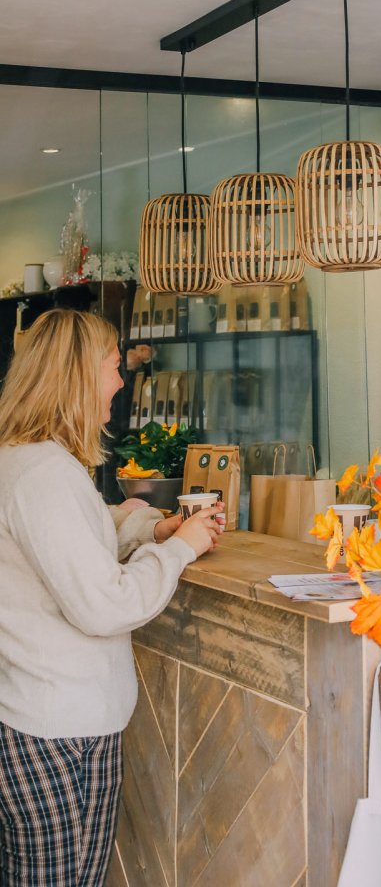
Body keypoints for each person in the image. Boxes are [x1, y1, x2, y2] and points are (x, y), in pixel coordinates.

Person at [0, 308, 223, 886]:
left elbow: (66, 544)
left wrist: (148, 530)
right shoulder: (44, 475)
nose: (121, 383)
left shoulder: (26, 462)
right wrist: (180, 550)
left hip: (42, 722)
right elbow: (104, 605)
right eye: (113, 366)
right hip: (59, 736)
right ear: (78, 376)